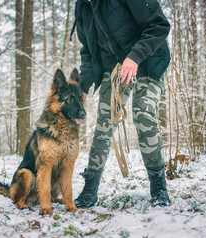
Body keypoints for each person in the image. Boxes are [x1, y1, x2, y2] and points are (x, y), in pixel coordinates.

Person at [73, 0, 171, 208]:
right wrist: (82, 86)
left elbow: (159, 25)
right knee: (104, 124)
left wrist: (134, 57)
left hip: (147, 59)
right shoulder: (82, 7)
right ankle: (90, 190)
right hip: (115, 67)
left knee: (142, 112)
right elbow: (88, 51)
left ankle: (159, 187)